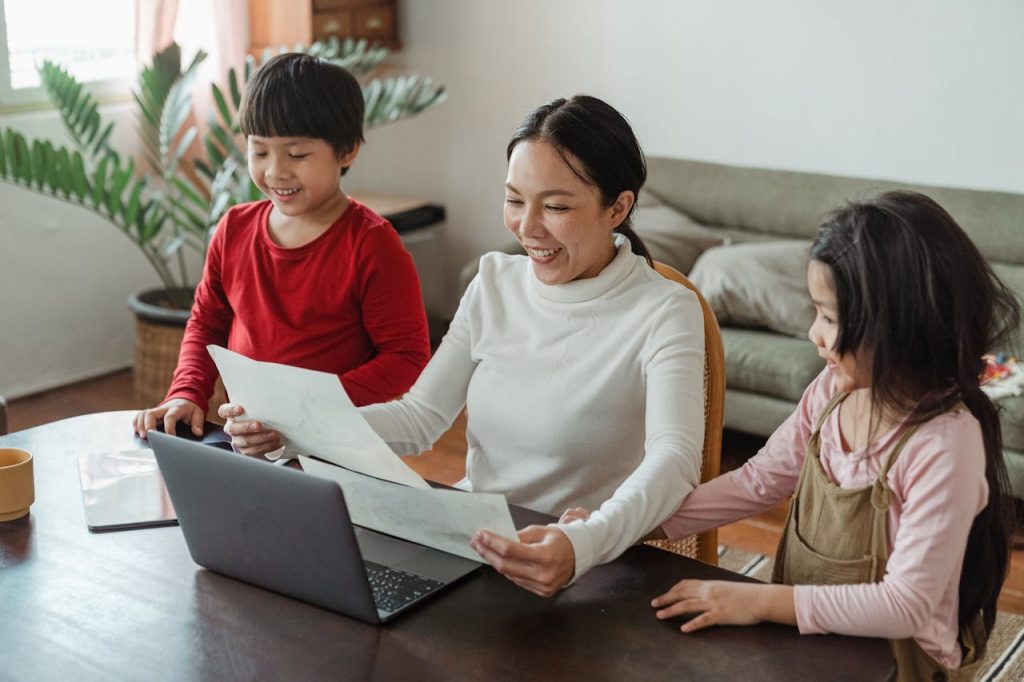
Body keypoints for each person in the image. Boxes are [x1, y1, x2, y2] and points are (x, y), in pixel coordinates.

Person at [219, 94, 707, 595]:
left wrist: (583, 543)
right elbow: (419, 418)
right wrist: (292, 430)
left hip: (582, 559)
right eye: (515, 200)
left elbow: (674, 461)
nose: (528, 228)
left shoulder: (665, 310)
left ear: (618, 207)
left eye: (556, 206)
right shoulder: (493, 282)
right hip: (472, 538)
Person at [637, 191, 1019, 680]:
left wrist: (755, 600)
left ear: (898, 326)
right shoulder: (830, 393)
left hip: (899, 662)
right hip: (808, 635)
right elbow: (758, 481)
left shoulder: (945, 443)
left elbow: (905, 605)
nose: (814, 333)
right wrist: (636, 522)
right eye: (815, 311)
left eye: (831, 318)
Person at [133, 53, 431, 442]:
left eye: (297, 154)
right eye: (259, 152)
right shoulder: (234, 229)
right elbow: (207, 323)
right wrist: (187, 392)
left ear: (347, 151)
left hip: (334, 442)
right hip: (248, 439)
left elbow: (405, 359)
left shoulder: (372, 244)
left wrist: (306, 412)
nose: (276, 171)